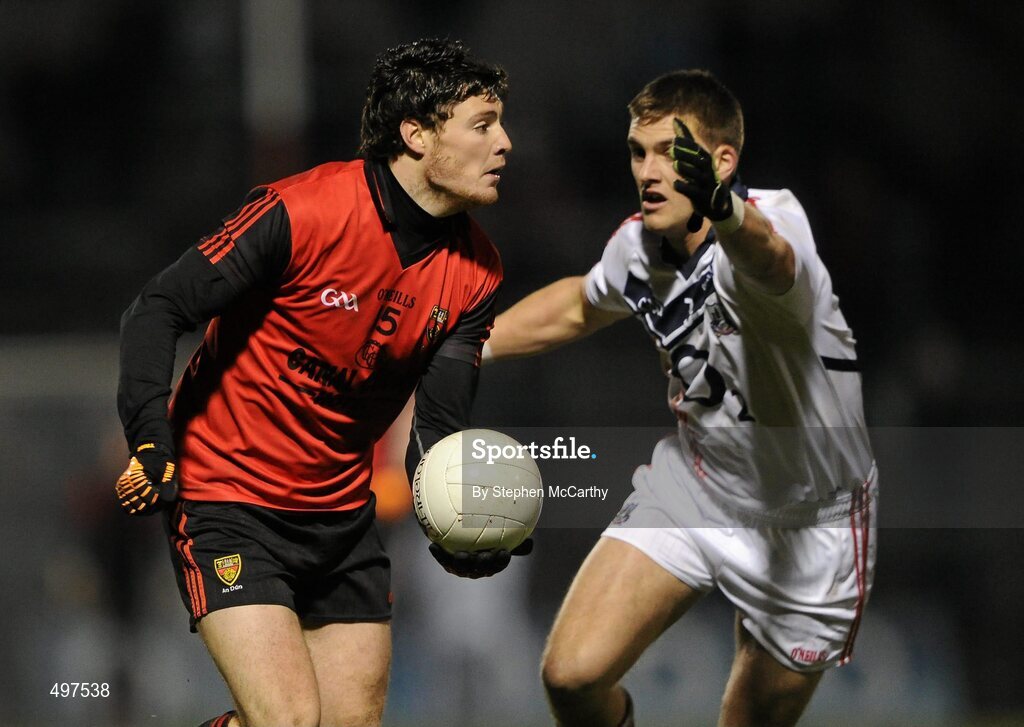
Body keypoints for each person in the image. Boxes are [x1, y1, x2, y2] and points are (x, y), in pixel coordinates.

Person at [115, 38, 529, 727]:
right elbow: (157, 309)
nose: (506, 142)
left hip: (340, 519)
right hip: (227, 499)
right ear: (417, 134)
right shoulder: (302, 210)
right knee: (291, 721)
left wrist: (455, 529)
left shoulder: (476, 272)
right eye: (483, 124)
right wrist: (152, 440)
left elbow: (436, 428)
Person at [485, 69, 876, 726]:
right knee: (571, 675)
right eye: (640, 152)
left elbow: (772, 261)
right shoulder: (639, 247)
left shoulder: (777, 222)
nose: (650, 170)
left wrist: (725, 209)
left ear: (722, 161)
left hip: (809, 522)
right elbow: (580, 305)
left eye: (673, 152)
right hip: (698, 485)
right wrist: (465, 346)